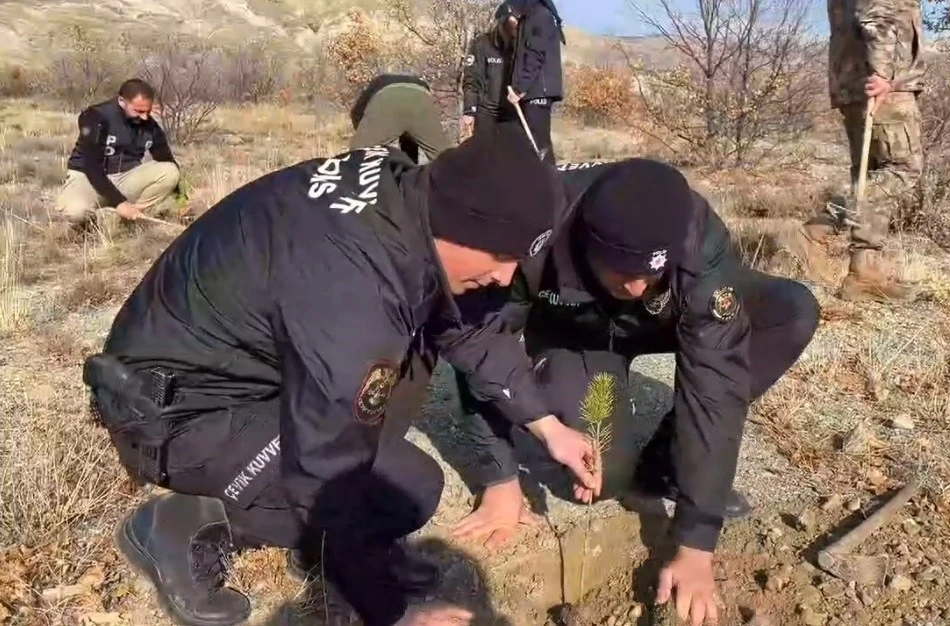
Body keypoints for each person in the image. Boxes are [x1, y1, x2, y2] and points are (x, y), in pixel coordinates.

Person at [82, 127, 602, 626]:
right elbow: (325, 463)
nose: (505, 277)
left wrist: (547, 426)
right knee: (398, 491)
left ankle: (325, 547)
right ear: (460, 223)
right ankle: (177, 524)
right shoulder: (353, 284)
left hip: (244, 373)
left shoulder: (409, 201)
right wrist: (388, 611)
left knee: (397, 468)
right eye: (501, 256)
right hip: (176, 410)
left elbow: (467, 329)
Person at [449, 159, 821, 626]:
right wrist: (500, 480)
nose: (636, 286)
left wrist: (696, 540)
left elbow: (716, 386)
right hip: (578, 339)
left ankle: (666, 465)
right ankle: (607, 430)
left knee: (790, 310)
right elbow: (478, 340)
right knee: (605, 477)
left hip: (661, 321)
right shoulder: (533, 225)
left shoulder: (693, 232)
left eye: (651, 274)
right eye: (621, 270)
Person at [782, 0, 925, 302]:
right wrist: (883, 73)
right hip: (883, 86)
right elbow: (878, 13)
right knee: (901, 171)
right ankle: (816, 231)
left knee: (872, 174)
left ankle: (864, 272)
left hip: (857, 82)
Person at [57, 78, 182, 227]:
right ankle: (98, 221)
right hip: (88, 178)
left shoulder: (150, 126)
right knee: (75, 212)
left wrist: (181, 197)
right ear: (122, 101)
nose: (144, 117)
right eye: (138, 111)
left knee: (170, 172)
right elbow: (92, 165)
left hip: (125, 177)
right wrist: (119, 202)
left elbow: (166, 158)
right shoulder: (96, 116)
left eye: (147, 111)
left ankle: (130, 218)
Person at [502, 0, 564, 164]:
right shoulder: (528, 18)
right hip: (531, 91)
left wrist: (519, 89)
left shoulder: (540, 17)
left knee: (539, 144)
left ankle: (549, 179)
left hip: (538, 91)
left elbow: (535, 56)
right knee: (528, 146)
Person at [349, 73, 452, 163]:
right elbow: (412, 132)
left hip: (387, 98)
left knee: (356, 157)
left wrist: (365, 134)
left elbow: (356, 113)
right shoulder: (419, 83)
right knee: (444, 157)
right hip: (421, 97)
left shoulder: (377, 82)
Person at [459, 3, 516, 141]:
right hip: (486, 112)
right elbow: (471, 79)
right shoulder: (481, 44)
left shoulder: (520, 47)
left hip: (512, 113)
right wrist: (469, 110)